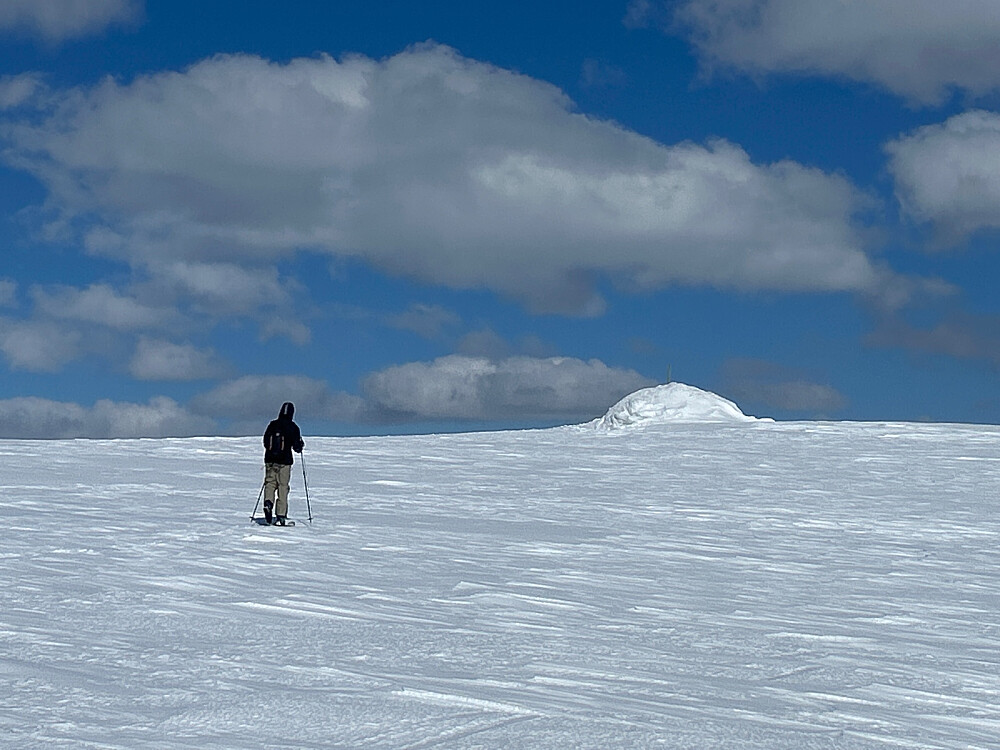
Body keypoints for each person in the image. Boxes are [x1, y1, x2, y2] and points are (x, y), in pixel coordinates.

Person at [262, 401, 304, 525]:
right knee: (283, 486)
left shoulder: (272, 424)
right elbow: (297, 448)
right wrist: (300, 445)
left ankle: (268, 503)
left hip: (270, 460)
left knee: (270, 483)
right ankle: (281, 515)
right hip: (285, 462)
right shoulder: (293, 427)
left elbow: (265, 441)